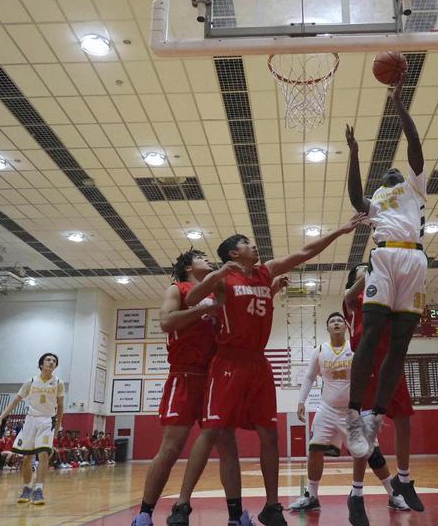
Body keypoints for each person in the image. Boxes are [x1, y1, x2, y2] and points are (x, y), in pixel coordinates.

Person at [166, 213, 364, 526]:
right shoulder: (223, 279)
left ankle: (272, 507)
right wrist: (216, 275)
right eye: (247, 243)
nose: (254, 245)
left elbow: (303, 253)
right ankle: (181, 505)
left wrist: (340, 231)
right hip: (228, 361)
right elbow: (191, 297)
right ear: (234, 253)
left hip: (258, 363)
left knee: (269, 435)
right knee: (211, 432)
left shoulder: (264, 272)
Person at [344, 77, 428, 461]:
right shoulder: (376, 201)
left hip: (414, 259)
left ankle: (376, 417)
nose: (393, 171)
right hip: (384, 256)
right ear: (382, 184)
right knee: (371, 331)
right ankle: (353, 414)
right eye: (387, 172)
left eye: (397, 170)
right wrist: (355, 153)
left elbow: (413, 143)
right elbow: (354, 195)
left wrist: (398, 105)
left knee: (400, 344)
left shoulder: (414, 186)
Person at [132, 250, 235, 526]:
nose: (208, 260)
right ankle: (145, 513)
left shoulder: (217, 291)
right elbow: (166, 322)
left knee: (227, 445)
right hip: (184, 375)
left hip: (214, 377)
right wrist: (204, 309)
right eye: (202, 257)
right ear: (189, 265)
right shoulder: (177, 289)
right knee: (171, 447)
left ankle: (211, 511)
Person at [288, 312, 410, 525]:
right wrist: (301, 401)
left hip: (354, 410)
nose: (336, 323)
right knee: (315, 449)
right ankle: (312, 497)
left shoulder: (356, 350)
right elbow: (308, 376)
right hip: (327, 409)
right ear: (327, 328)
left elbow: (372, 375)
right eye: (331, 322)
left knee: (373, 455)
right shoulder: (320, 350)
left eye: (339, 321)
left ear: (345, 327)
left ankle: (393, 495)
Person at [342, 264, 423, 514]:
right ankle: (356, 493)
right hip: (366, 365)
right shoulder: (354, 298)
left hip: (390, 361)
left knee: (404, 420)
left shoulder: (387, 295)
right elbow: (347, 296)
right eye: (362, 269)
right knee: (365, 433)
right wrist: (370, 271)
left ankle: (404, 478)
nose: (368, 269)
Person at [0, 353, 64, 506]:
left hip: (47, 420)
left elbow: (61, 406)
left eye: (54, 361)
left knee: (44, 454)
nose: (51, 362)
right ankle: (27, 488)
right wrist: (0, 418)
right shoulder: (30, 382)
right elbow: (15, 401)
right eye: (48, 360)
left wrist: (58, 425)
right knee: (26, 457)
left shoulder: (58, 382)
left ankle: (39, 489)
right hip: (31, 420)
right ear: (41, 364)